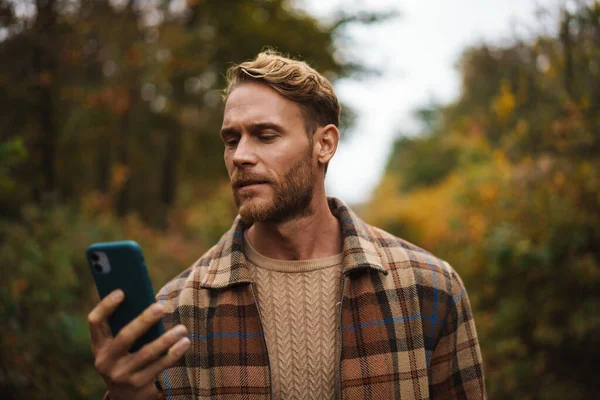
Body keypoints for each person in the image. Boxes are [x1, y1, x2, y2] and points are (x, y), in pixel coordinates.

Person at [88, 50, 486, 400]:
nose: (240, 156)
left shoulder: (429, 288)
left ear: (324, 144)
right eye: (231, 140)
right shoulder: (178, 311)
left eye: (265, 135)